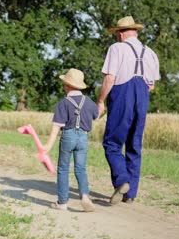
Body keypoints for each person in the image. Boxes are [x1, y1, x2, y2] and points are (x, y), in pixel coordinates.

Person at [98, 16, 160, 204]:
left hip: (122, 96)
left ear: (120, 33)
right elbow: (151, 86)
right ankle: (130, 194)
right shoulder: (150, 53)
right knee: (134, 145)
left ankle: (122, 180)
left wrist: (101, 100)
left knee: (112, 143)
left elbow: (110, 78)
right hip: (142, 97)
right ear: (135, 31)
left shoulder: (116, 48)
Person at [42, 68, 99, 212]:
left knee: (63, 169)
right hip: (83, 137)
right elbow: (96, 116)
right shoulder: (89, 102)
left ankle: (62, 203)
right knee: (80, 169)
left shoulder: (63, 103)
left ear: (67, 86)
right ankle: (85, 196)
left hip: (68, 136)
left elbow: (56, 128)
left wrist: (48, 145)